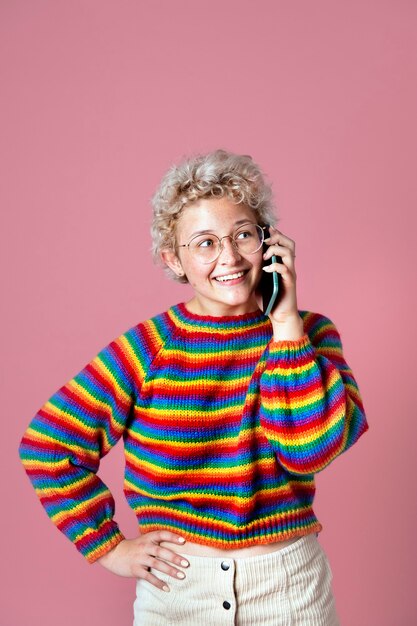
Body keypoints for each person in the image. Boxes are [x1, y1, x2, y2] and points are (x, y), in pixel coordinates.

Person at [19, 148, 369, 625]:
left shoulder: (312, 334)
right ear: (174, 259)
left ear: (268, 242)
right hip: (180, 591)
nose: (228, 257)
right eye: (204, 243)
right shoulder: (148, 348)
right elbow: (48, 444)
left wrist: (286, 322)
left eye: (243, 235)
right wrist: (108, 548)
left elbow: (307, 452)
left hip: (290, 587)